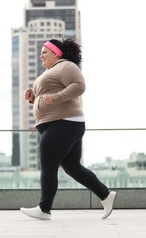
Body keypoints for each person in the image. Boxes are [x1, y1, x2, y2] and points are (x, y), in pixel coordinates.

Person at [20, 37, 116, 220]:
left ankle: (44, 209)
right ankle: (105, 195)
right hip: (65, 123)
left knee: (48, 167)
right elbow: (47, 96)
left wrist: (56, 98)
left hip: (63, 123)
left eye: (44, 52)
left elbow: (79, 86)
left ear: (56, 53)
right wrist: (33, 98)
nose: (41, 55)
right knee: (72, 167)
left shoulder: (67, 66)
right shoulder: (54, 70)